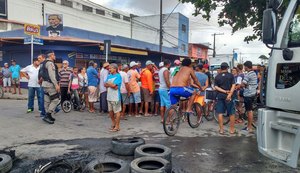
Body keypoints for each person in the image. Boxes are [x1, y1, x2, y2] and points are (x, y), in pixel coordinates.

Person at [214, 62, 236, 135]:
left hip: (220, 95)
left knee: (220, 113)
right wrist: (229, 94)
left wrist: (224, 91)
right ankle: (232, 130)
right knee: (231, 113)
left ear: (221, 68)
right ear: (227, 68)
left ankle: (221, 130)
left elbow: (216, 87)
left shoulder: (217, 76)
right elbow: (233, 85)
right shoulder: (231, 75)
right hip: (229, 96)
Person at [41, 51, 60, 124]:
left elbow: (41, 73)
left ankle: (47, 115)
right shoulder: (50, 63)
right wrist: (56, 85)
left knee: (47, 100)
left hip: (45, 84)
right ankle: (48, 114)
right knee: (55, 100)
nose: (55, 56)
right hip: (50, 84)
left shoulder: (43, 63)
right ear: (51, 55)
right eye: (54, 55)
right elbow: (52, 75)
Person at [241, 61, 258, 133]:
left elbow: (242, 84)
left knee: (249, 111)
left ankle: (249, 127)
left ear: (246, 67)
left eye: (244, 66)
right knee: (249, 110)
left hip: (248, 94)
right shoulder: (254, 73)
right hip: (253, 93)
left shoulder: (248, 74)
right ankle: (248, 125)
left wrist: (244, 85)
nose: (244, 68)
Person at [105, 63, 122, 132]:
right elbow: (105, 84)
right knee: (110, 111)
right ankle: (113, 123)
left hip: (116, 97)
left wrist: (110, 84)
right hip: (109, 96)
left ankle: (117, 126)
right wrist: (111, 85)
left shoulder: (118, 76)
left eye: (111, 68)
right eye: (109, 68)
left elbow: (115, 87)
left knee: (117, 111)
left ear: (115, 69)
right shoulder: (109, 76)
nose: (109, 69)